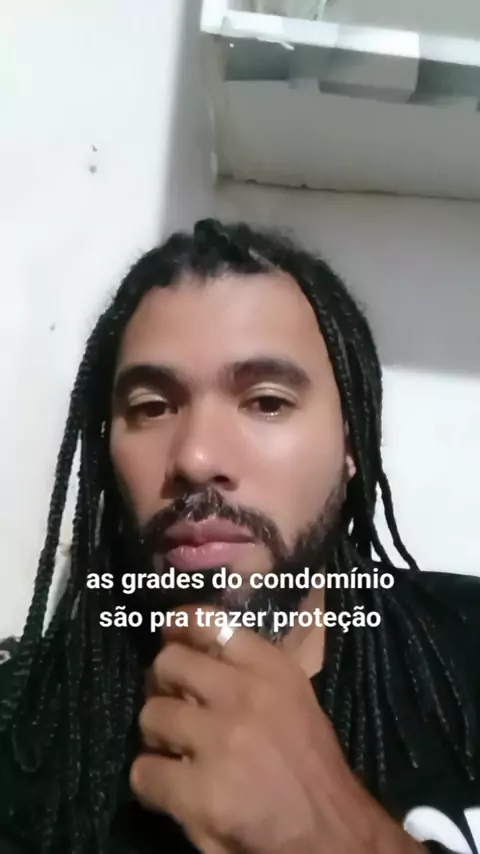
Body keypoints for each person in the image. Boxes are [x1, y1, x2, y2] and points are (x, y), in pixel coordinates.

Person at [0, 218, 478, 854]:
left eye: (267, 401)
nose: (195, 458)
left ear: (352, 445)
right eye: (151, 407)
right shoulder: (20, 735)